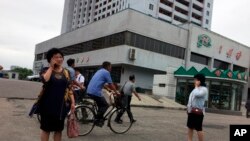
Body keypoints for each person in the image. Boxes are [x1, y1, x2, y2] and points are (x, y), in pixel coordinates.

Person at [39, 48, 75, 141]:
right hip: (47, 106)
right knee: (46, 130)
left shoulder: (66, 72)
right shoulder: (46, 70)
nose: (59, 59)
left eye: (60, 57)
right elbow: (45, 80)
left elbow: (69, 88)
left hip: (61, 106)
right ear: (50, 59)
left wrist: (73, 102)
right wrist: (51, 67)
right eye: (56, 57)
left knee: (58, 130)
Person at [86, 61, 119, 127]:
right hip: (95, 92)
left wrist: (108, 89)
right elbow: (111, 84)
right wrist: (116, 92)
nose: (111, 68)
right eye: (110, 66)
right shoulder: (106, 72)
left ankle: (99, 118)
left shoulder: (99, 71)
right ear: (108, 66)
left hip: (89, 90)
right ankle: (97, 120)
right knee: (105, 105)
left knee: (100, 105)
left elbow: (102, 83)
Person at [186, 74, 208, 141]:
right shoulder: (196, 89)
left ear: (200, 80)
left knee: (198, 128)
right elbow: (191, 99)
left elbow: (197, 94)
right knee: (190, 127)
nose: (194, 81)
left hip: (198, 112)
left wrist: (196, 87)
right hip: (191, 111)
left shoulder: (204, 89)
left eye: (196, 80)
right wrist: (188, 109)